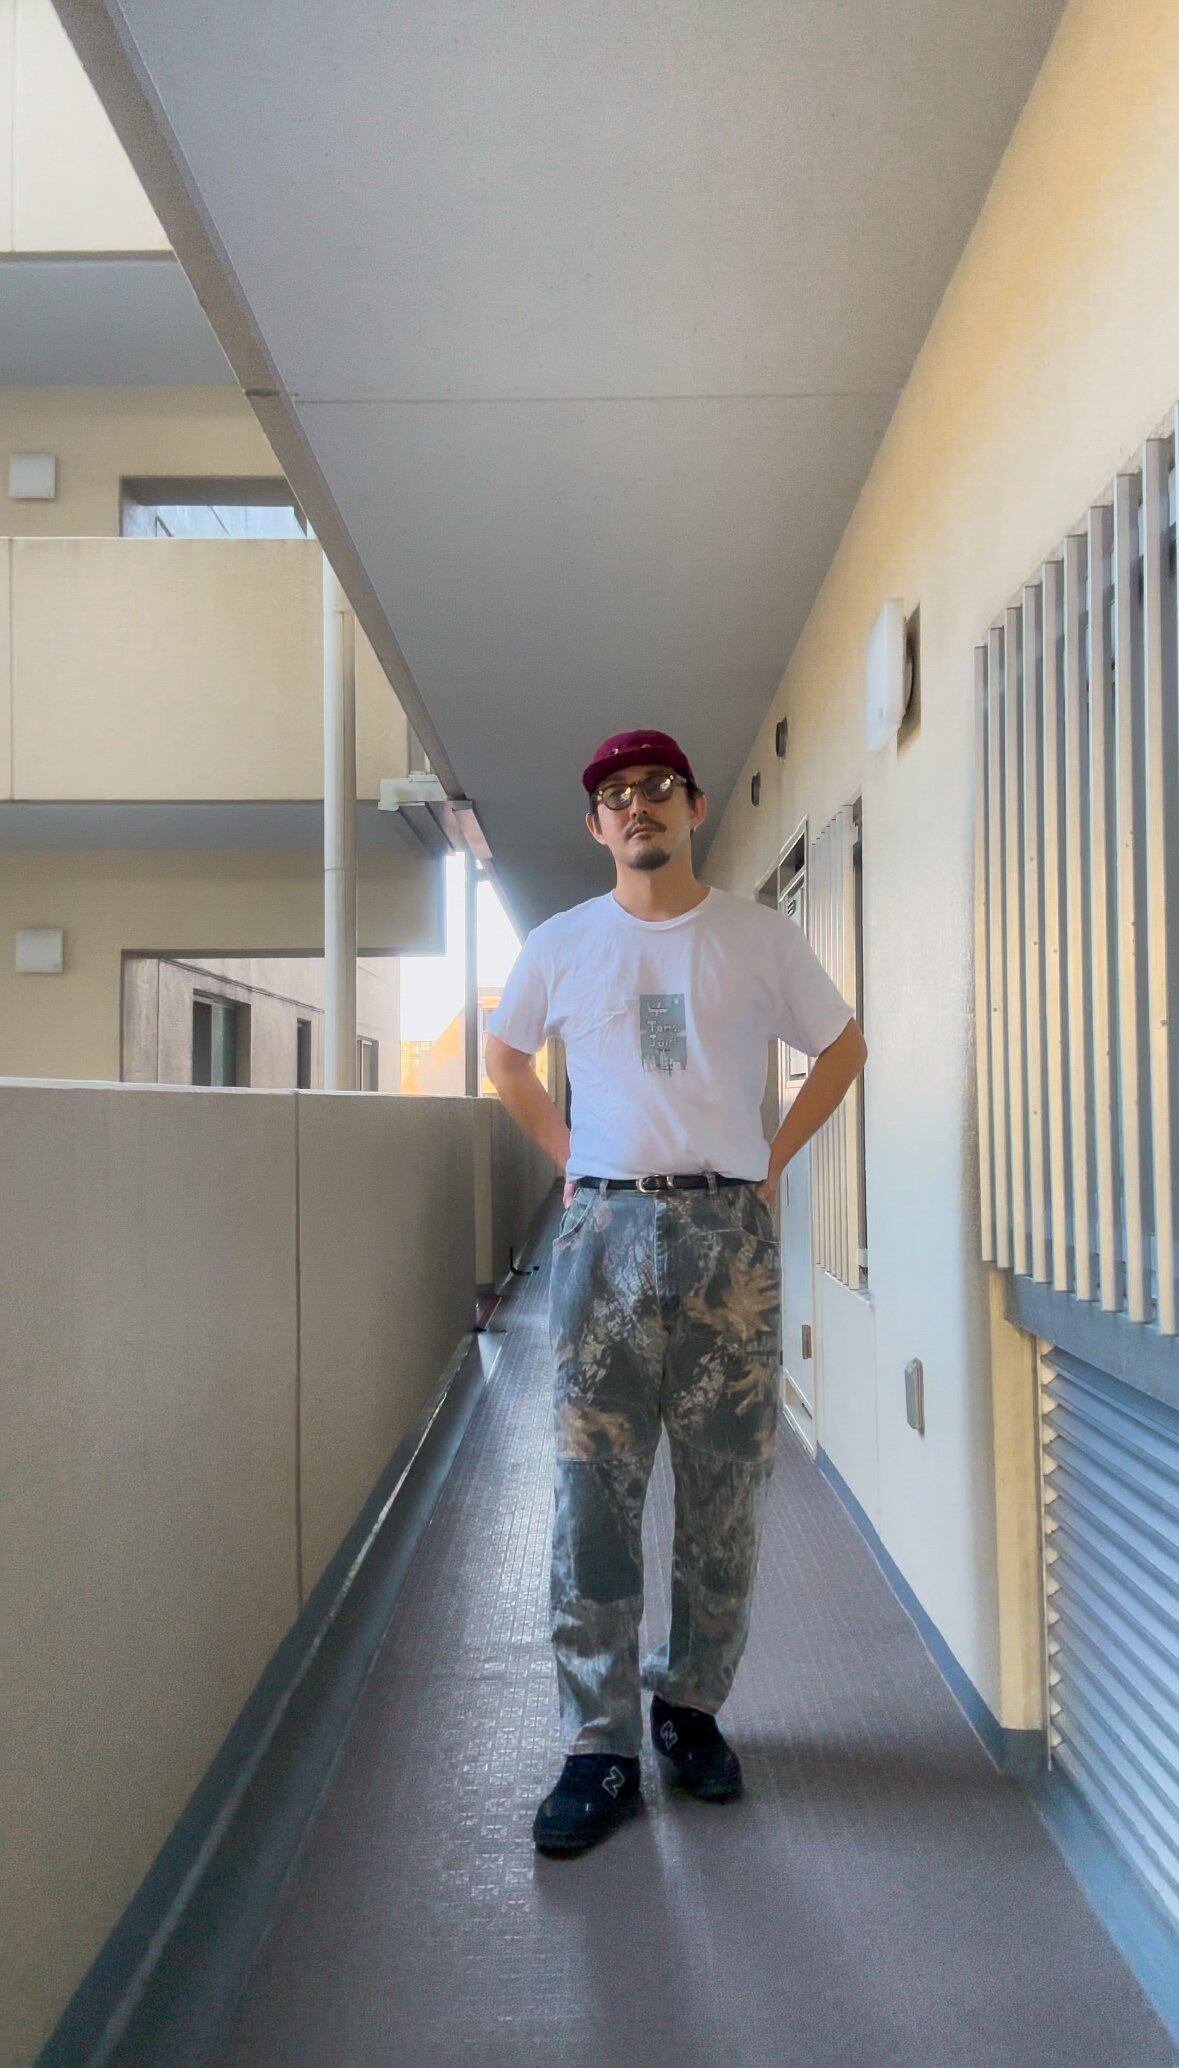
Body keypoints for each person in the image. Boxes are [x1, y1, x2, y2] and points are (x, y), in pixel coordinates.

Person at [484, 727, 868, 1858]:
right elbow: (505, 1059)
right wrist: (571, 1158)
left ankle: (690, 1707)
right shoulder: (562, 943)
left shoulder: (759, 936)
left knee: (724, 1489)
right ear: (595, 825)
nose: (635, 804)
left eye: (656, 786)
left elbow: (842, 1048)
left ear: (693, 806)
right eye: (614, 793)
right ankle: (597, 1743)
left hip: (724, 1239)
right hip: (604, 1233)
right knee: (590, 1491)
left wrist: (772, 1159)